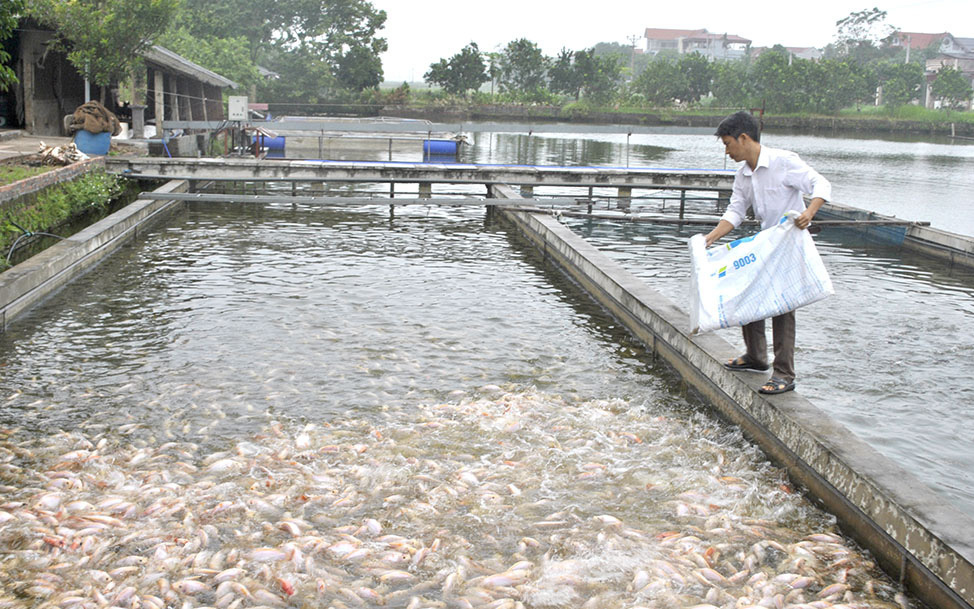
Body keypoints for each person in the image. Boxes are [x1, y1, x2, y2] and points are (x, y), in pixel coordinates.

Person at [704, 111, 831, 395]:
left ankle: (784, 372)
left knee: (783, 307)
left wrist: (809, 213)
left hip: (788, 242)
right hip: (765, 243)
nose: (727, 151)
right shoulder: (744, 174)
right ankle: (756, 356)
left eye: (728, 144)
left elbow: (821, 184)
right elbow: (736, 210)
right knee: (749, 291)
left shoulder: (783, 162)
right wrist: (710, 238)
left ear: (744, 138)